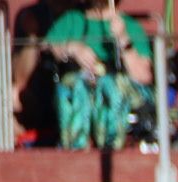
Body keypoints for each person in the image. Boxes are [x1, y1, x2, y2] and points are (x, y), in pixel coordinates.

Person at [38, 0, 157, 150]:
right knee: (75, 85)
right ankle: (76, 149)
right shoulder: (73, 20)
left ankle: (111, 150)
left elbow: (143, 76)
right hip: (81, 87)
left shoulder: (129, 25)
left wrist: (123, 40)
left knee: (110, 86)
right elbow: (46, 47)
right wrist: (72, 47)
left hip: (117, 91)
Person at [11, 0, 77, 144]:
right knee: (12, 95)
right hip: (41, 99)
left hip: (76, 98)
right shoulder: (33, 15)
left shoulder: (83, 14)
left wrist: (72, 49)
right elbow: (21, 79)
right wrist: (32, 37)